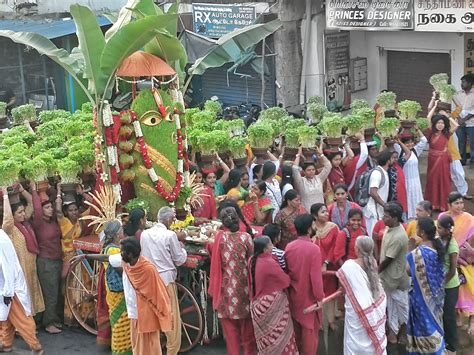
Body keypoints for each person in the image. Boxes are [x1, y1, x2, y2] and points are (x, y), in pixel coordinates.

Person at [208, 207, 256, 355]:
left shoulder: (219, 239)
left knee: (231, 335)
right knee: (247, 333)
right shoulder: (246, 238)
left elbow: (210, 249)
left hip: (226, 291)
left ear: (223, 223)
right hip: (244, 290)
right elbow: (251, 259)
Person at [80, 221, 132, 355]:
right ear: (116, 234)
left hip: (111, 291)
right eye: (121, 231)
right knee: (121, 323)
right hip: (118, 291)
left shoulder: (107, 247)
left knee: (118, 322)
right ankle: (121, 350)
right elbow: (123, 269)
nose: (123, 233)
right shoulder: (113, 250)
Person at [140, 207, 187, 355]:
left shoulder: (145, 234)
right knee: (171, 319)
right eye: (173, 219)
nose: (174, 221)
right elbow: (179, 259)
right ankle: (172, 350)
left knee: (153, 316)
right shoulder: (170, 235)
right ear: (167, 220)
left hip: (149, 281)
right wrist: (183, 249)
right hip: (165, 281)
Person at [120, 237, 172, 354]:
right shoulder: (126, 263)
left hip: (147, 315)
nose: (120, 254)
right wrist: (86, 256)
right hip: (134, 313)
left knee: (150, 348)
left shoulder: (148, 269)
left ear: (131, 254)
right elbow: (109, 259)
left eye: (123, 251)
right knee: (137, 348)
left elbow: (158, 294)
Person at [337, 236, 387, 355]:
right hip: (372, 311)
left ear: (357, 249)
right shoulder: (373, 262)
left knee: (355, 343)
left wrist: (340, 309)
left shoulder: (349, 266)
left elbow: (343, 288)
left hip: (357, 312)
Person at [248, 236, 297, 354]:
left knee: (266, 341)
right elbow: (286, 281)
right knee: (280, 339)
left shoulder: (251, 260)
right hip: (271, 305)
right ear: (265, 249)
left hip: (257, 304)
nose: (272, 247)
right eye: (270, 245)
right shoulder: (270, 262)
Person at [1, 186, 44, 317]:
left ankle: (29, 322)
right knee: (23, 296)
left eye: (23, 212)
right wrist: (5, 196)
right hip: (20, 270)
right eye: (19, 212)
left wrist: (21, 190)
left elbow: (32, 203)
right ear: (13, 215)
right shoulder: (10, 228)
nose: (23, 214)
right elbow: (7, 217)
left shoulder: (24, 223)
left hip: (31, 267)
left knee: (31, 293)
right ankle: (23, 325)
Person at [285, 214, 324, 354]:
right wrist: (320, 297)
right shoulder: (314, 249)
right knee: (309, 339)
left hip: (293, 296)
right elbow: (316, 278)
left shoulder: (289, 247)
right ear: (309, 229)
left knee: (296, 336)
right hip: (309, 299)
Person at [406, 217, 446, 354]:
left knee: (423, 327)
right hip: (436, 299)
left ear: (421, 232)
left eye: (417, 227)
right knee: (435, 325)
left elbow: (408, 272)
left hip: (421, 299)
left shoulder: (418, 253)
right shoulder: (438, 247)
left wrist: (409, 249)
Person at [0, 229, 43, 354]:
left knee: (21, 318)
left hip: (11, 288)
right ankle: (6, 344)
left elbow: (8, 267)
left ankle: (36, 346)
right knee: (6, 319)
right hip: (5, 286)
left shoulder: (1, 239)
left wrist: (8, 293)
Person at [438, 192, 474, 334]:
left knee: (470, 289)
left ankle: (472, 320)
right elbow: (440, 237)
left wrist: (466, 252)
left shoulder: (469, 219)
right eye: (456, 203)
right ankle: (457, 317)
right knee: (454, 292)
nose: (460, 206)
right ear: (449, 204)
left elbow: (471, 240)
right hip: (449, 258)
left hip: (465, 259)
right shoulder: (442, 217)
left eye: (461, 203)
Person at [30, 182, 63, 334]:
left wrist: (57, 189)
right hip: (46, 262)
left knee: (55, 292)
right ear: (41, 211)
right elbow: (36, 208)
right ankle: (48, 323)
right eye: (47, 208)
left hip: (56, 260)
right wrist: (33, 189)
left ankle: (52, 319)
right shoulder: (38, 223)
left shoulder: (53, 220)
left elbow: (57, 204)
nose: (50, 210)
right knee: (50, 293)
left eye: (50, 207)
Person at [378, 202, 410, 344]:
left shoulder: (398, 236)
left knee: (402, 306)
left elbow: (388, 260)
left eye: (386, 216)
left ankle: (403, 331)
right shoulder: (389, 228)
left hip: (396, 277)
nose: (383, 218)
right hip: (387, 276)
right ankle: (393, 330)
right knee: (390, 304)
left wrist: (375, 272)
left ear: (396, 218)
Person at [55, 186, 87, 325]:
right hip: (68, 258)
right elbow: (57, 210)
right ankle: (69, 318)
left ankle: (83, 315)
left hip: (79, 257)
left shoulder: (81, 221)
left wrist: (82, 193)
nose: (74, 212)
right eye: (70, 210)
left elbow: (94, 207)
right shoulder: (64, 222)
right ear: (66, 212)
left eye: (75, 210)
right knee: (68, 287)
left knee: (80, 287)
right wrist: (58, 192)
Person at [311, 203, 339, 330]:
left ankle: (331, 320)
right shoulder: (310, 228)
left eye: (327, 211)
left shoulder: (333, 228)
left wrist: (326, 263)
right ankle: (320, 322)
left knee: (331, 294)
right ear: (314, 215)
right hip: (313, 267)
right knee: (315, 294)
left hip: (329, 266)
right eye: (323, 212)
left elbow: (335, 247)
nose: (326, 214)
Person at [425, 113, 458, 211]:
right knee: (432, 180)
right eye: (438, 123)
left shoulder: (447, 134)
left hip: (443, 161)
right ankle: (433, 203)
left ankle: (443, 204)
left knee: (444, 180)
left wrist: (448, 117)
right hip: (432, 160)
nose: (440, 125)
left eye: (442, 123)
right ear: (434, 124)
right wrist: (435, 105)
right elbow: (428, 117)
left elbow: (456, 125)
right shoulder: (431, 132)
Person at [438, 215, 460, 354]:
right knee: (441, 315)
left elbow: (452, 270)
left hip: (450, 286)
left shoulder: (452, 246)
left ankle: (452, 347)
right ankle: (443, 342)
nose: (437, 230)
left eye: (440, 228)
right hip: (441, 283)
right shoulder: (439, 241)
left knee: (448, 316)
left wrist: (441, 284)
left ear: (447, 230)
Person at [395, 129, 428, 220]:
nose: (410, 144)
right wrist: (399, 128)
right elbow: (394, 139)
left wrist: (416, 128)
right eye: (407, 143)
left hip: (416, 180)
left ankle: (418, 214)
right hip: (406, 180)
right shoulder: (399, 151)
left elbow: (424, 140)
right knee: (408, 197)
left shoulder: (416, 150)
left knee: (416, 196)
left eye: (411, 142)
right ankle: (409, 216)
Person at [292, 145, 331, 213]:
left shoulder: (319, 179)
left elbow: (328, 166)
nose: (311, 172)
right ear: (304, 172)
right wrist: (298, 154)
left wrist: (321, 154)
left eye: (313, 169)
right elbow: (294, 169)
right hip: (307, 213)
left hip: (321, 213)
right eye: (309, 170)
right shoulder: (301, 181)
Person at [363, 149, 392, 238]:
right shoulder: (377, 173)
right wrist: (385, 205)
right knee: (373, 237)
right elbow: (373, 192)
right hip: (373, 212)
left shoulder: (383, 172)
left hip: (379, 211)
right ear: (388, 161)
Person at [455, 73, 474, 165]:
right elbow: (456, 108)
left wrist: (464, 119)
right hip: (459, 122)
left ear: (470, 83)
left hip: (471, 123)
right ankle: (462, 160)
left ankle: (473, 160)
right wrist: (459, 119)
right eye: (461, 82)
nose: (461, 84)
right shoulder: (458, 94)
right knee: (461, 142)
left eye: (464, 82)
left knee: (473, 142)